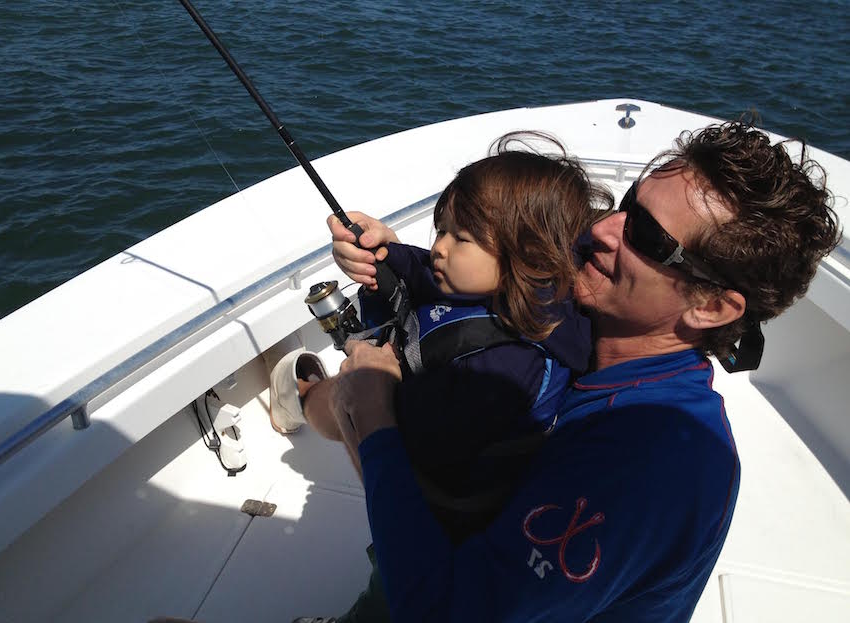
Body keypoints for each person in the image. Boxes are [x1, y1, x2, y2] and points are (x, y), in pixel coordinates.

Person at [322, 120, 840, 622]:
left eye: (649, 238)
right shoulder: (600, 291)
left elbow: (442, 612)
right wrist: (387, 257)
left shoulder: (654, 467)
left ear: (710, 308)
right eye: (627, 204)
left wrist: (374, 420)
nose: (601, 229)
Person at [270, 134, 609, 541]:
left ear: (529, 256)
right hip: (438, 438)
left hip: (444, 521)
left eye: (459, 238)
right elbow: (426, 273)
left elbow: (416, 435)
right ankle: (304, 394)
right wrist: (385, 254)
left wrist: (374, 378)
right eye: (441, 230)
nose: (439, 249)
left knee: (345, 393)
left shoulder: (510, 370)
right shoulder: (520, 287)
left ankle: (302, 395)